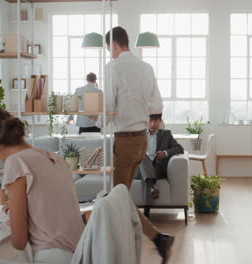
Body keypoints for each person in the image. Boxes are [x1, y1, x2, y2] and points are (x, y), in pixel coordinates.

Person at [102, 26, 174, 263]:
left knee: (116, 197)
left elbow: (108, 104)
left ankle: (156, 237)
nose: (109, 54)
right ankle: (143, 241)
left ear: (114, 45)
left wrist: (99, 120)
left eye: (108, 49)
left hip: (125, 141)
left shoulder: (113, 67)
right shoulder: (146, 67)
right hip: (141, 139)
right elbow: (156, 104)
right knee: (122, 198)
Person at [0, 107, 84, 263]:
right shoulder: (54, 157)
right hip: (79, 253)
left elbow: (19, 242)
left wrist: (16, 216)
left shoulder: (16, 162)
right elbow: (50, 203)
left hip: (52, 258)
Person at [137, 113, 184, 203]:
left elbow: (179, 148)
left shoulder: (166, 134)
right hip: (141, 166)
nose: (152, 124)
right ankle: (152, 187)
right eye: (150, 121)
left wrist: (165, 153)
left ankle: (146, 212)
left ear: (160, 121)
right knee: (143, 156)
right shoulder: (139, 134)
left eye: (155, 121)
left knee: (146, 178)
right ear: (146, 121)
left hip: (157, 168)